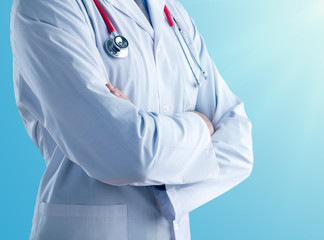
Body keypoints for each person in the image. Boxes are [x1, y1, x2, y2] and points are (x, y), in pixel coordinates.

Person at [10, 0, 254, 239]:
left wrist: (160, 165)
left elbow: (239, 145)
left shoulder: (173, 13)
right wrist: (202, 125)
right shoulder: (45, 6)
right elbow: (126, 151)